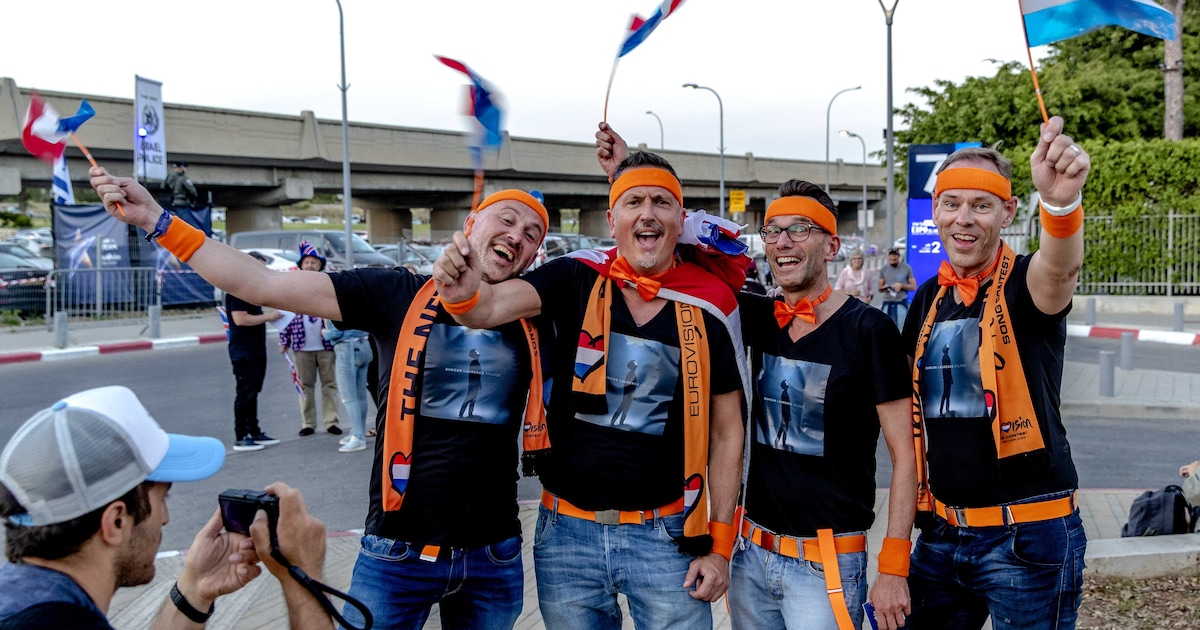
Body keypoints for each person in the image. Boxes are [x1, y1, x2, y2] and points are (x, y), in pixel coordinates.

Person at [88, 166, 549, 630]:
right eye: (506, 220)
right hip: (397, 553)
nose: (517, 235)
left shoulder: (534, 314)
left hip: (494, 555)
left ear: (532, 257)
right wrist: (156, 219)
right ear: (471, 226)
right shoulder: (396, 293)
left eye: (531, 234)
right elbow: (260, 284)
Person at [433, 140, 746, 629]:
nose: (648, 213)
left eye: (661, 202)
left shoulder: (710, 304)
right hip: (566, 538)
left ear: (679, 219)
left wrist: (721, 546)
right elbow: (487, 308)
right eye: (633, 202)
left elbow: (729, 434)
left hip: (669, 540)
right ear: (611, 219)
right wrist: (462, 291)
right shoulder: (574, 276)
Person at [902, 117, 1090, 629]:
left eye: (981, 205)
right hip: (941, 535)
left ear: (1006, 212)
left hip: (1027, 537)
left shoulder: (1027, 283)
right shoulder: (927, 300)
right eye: (952, 203)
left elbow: (1061, 269)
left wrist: (1060, 205)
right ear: (935, 211)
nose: (964, 219)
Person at [0, 385, 331, 630]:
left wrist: (195, 588)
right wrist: (304, 579)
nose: (166, 519)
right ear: (116, 521)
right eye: (163, 498)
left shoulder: (27, 606)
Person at [280, 241, 341, 438]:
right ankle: (309, 422)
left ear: (320, 265)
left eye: (314, 263)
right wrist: (284, 340)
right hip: (301, 345)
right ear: (301, 265)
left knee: (329, 383)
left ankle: (331, 420)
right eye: (307, 262)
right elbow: (286, 316)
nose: (310, 266)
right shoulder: (294, 288)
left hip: (325, 344)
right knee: (305, 385)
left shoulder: (327, 286)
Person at [227, 250, 285, 452]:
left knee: (254, 392)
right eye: (259, 266)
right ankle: (241, 436)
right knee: (245, 393)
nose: (263, 270)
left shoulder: (250, 289)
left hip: (256, 350)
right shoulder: (238, 289)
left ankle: (254, 431)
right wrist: (269, 317)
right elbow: (240, 319)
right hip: (244, 351)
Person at [324, 319, 373, 453]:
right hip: (364, 344)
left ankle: (357, 437)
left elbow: (335, 333)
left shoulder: (337, 302)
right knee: (360, 395)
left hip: (347, 348)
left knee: (348, 397)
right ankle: (358, 432)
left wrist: (325, 333)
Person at [879, 248, 916, 328]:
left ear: (899, 257)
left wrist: (901, 285)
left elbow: (913, 286)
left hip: (900, 301)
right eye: (890, 260)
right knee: (885, 328)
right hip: (887, 301)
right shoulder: (884, 269)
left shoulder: (906, 268)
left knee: (901, 328)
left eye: (894, 260)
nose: (892, 262)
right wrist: (885, 288)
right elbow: (880, 287)